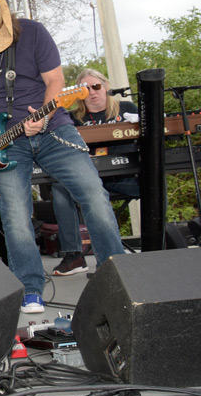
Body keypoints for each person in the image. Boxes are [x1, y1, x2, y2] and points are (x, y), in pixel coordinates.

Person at [0, 0, 126, 314]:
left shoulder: (33, 33)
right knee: (15, 215)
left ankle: (118, 277)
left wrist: (44, 115)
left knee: (93, 195)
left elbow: (55, 80)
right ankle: (30, 289)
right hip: (2, 142)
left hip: (53, 128)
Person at [51, 68, 139, 276]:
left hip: (124, 178)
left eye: (96, 86)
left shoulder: (126, 108)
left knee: (157, 180)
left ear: (106, 86)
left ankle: (157, 246)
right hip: (90, 181)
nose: (92, 92)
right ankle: (73, 255)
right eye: (85, 89)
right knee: (59, 187)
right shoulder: (72, 118)